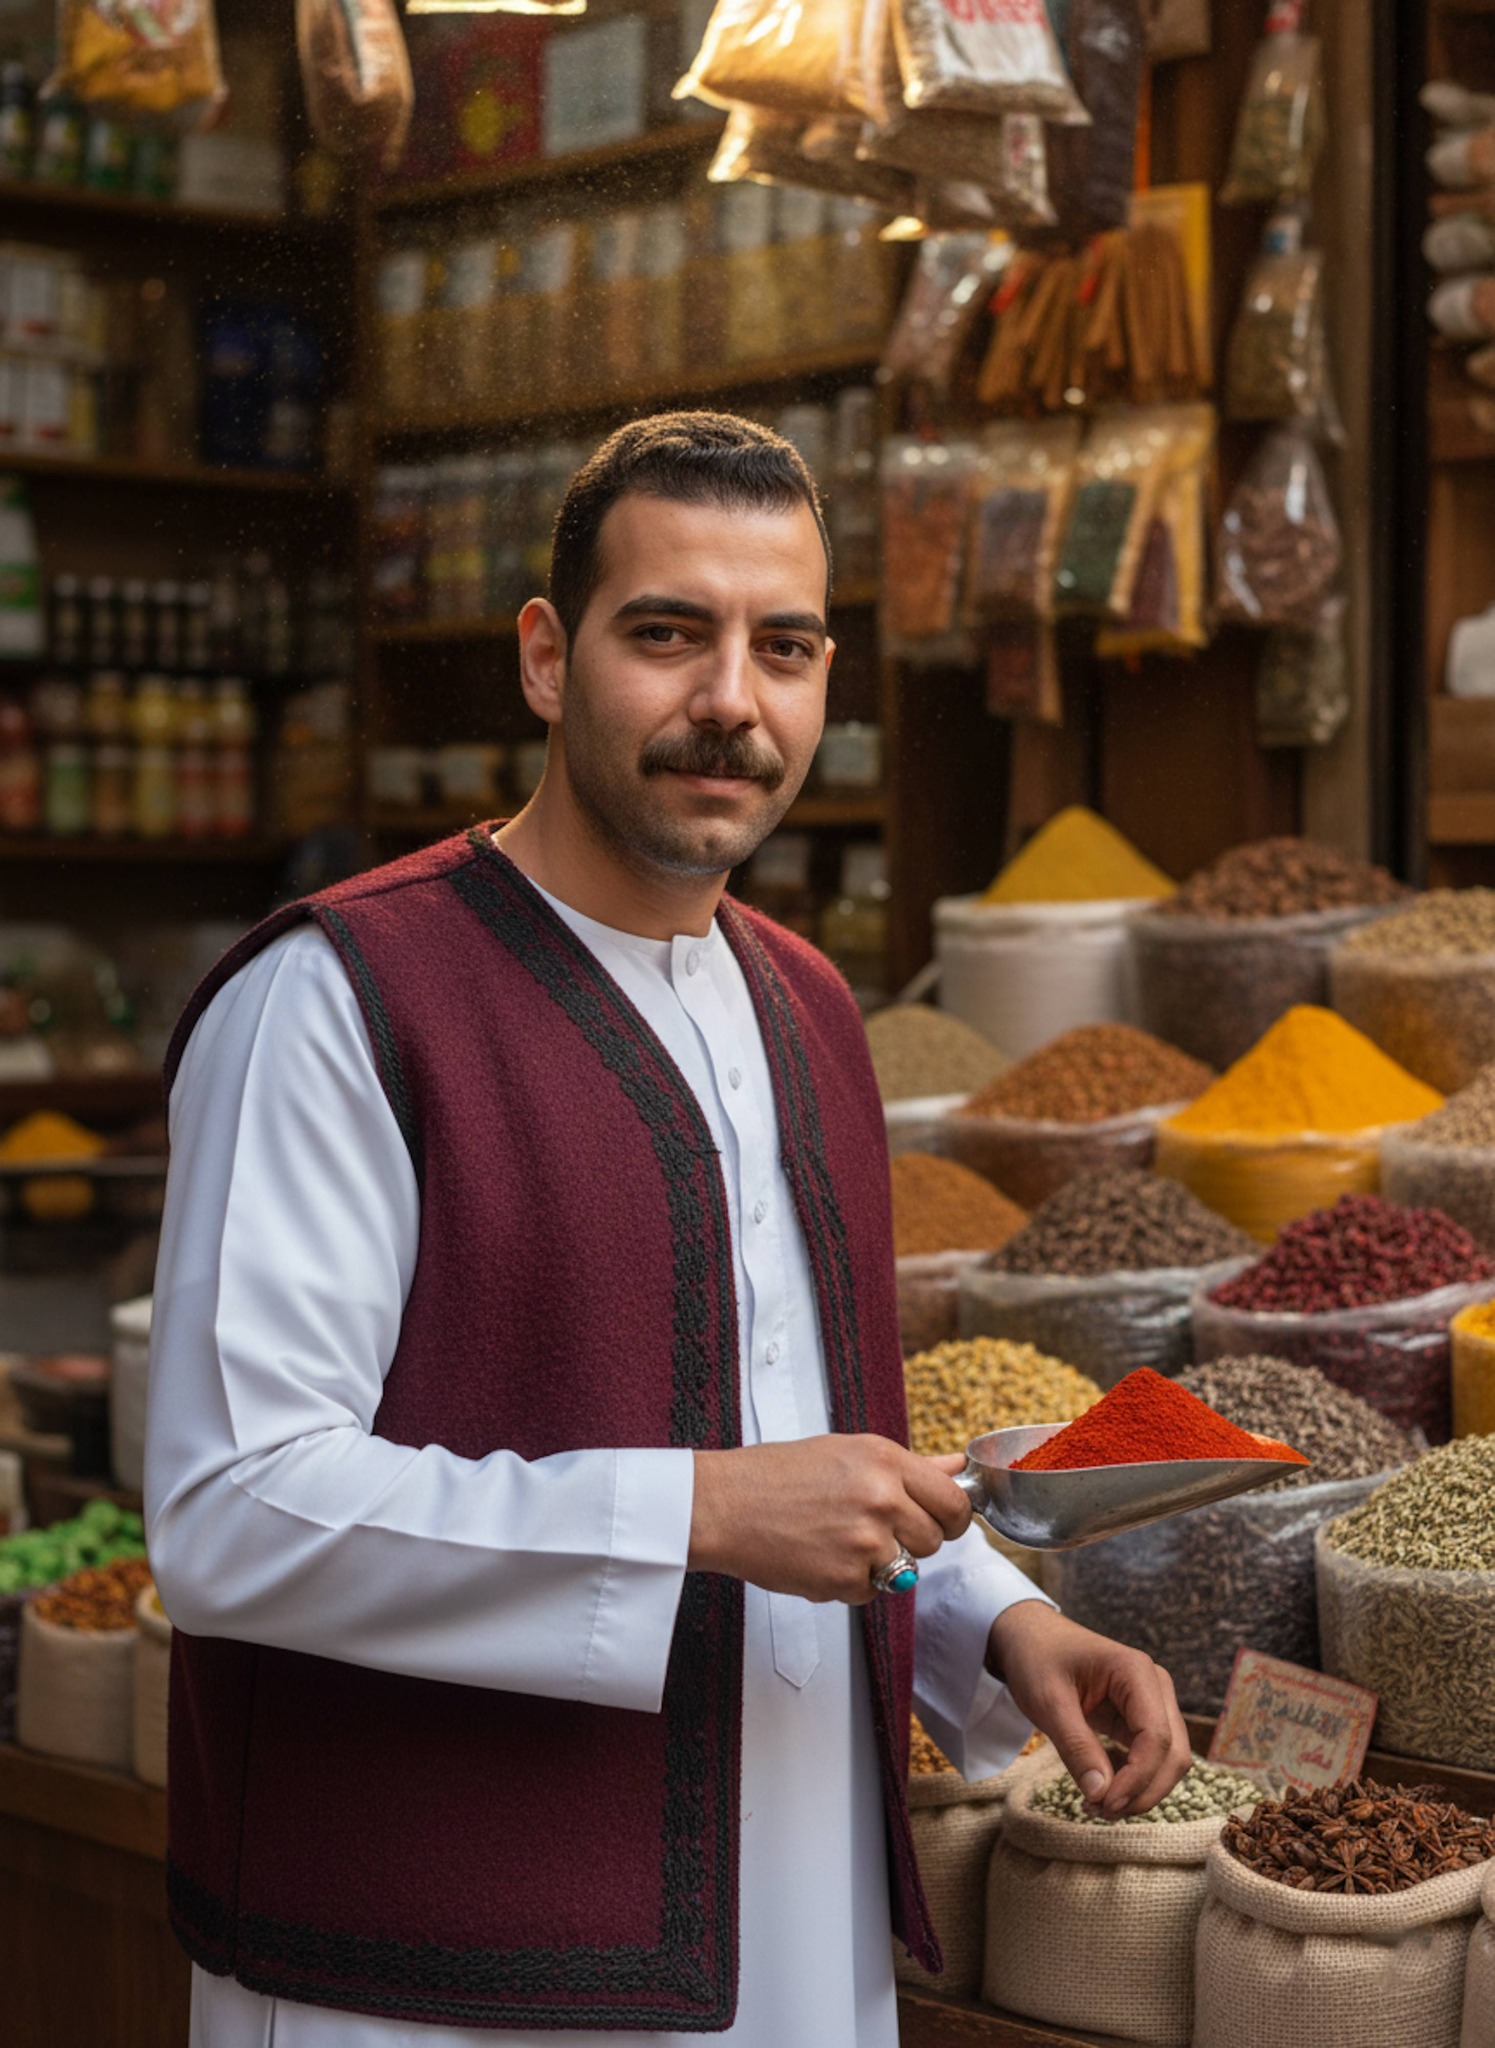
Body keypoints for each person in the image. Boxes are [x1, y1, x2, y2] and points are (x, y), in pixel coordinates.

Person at [146, 411, 1190, 2048]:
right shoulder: (339, 999)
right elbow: (232, 1514)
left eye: (784, 647)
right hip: (425, 1980)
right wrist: (696, 1515)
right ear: (549, 659)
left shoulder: (811, 1006)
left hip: (792, 1925)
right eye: (668, 634)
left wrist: (1003, 1624)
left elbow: (809, 1451)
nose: (733, 702)